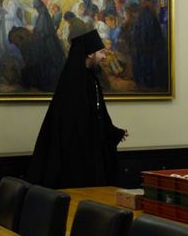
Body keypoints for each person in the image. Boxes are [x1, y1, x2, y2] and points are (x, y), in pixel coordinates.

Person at [27, 30, 128, 188]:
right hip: (74, 156)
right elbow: (72, 122)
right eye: (101, 52)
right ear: (90, 54)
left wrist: (112, 131)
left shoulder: (91, 78)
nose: (103, 57)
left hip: (89, 151)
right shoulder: (73, 81)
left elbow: (97, 114)